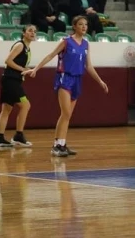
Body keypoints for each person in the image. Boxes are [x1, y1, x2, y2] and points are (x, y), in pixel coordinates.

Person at [23, 16, 108, 157]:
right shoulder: (66, 42)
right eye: (80, 24)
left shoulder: (86, 44)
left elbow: (89, 66)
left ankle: (61, 144)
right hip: (64, 78)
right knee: (66, 112)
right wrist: (35, 69)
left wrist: (100, 81)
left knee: (67, 115)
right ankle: (56, 146)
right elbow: (50, 55)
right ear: (74, 26)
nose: (84, 27)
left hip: (77, 80)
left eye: (85, 25)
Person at [0, 25, 36, 148]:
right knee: (26, 105)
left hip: (13, 80)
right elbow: (8, 61)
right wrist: (22, 69)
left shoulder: (27, 48)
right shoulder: (20, 45)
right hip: (10, 80)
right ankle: (18, 135)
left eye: (34, 31)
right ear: (24, 33)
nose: (33, 33)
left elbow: (17, 64)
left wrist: (27, 70)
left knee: (6, 109)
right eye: (30, 31)